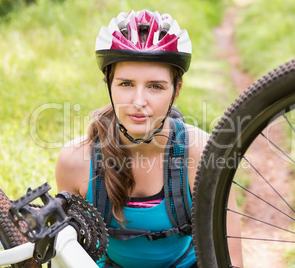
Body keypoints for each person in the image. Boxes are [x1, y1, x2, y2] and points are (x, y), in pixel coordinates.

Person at [55, 10, 243, 267]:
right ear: (108, 84)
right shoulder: (75, 161)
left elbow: (230, 258)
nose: (139, 102)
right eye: (126, 84)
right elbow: (70, 256)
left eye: (155, 86)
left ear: (176, 91)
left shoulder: (202, 154)